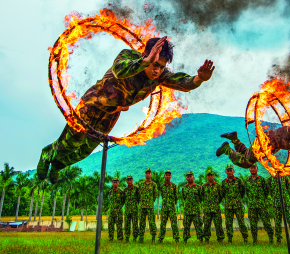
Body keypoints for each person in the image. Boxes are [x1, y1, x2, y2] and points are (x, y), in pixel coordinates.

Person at [37, 36, 216, 184]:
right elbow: (119, 71)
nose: (157, 70)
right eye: (155, 65)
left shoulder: (159, 75)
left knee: (85, 150)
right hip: (92, 104)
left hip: (111, 114)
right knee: (72, 143)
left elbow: (182, 82)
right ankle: (48, 153)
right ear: (146, 55)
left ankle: (58, 165)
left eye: (162, 66)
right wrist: (146, 61)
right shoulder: (128, 56)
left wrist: (199, 79)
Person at [244, 164, 274, 244]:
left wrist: (262, 200)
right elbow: (245, 192)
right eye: (251, 168)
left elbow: (266, 191)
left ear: (257, 169)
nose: (253, 169)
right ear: (249, 169)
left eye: (254, 168)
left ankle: (271, 239)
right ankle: (255, 240)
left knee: (266, 222)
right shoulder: (247, 180)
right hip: (251, 206)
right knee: (253, 224)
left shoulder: (262, 180)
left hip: (261, 205)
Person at [267, 175, 290, 245]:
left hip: (286, 203)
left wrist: (285, 197)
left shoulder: (285, 177)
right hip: (276, 203)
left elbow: (289, 189)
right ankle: (278, 239)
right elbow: (269, 190)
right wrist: (275, 197)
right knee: (277, 222)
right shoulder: (270, 179)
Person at [221, 164, 248, 243]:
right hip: (228, 206)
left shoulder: (238, 181)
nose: (229, 172)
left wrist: (238, 200)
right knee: (228, 223)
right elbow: (222, 194)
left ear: (233, 171)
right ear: (226, 172)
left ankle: (245, 238)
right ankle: (229, 239)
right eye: (228, 171)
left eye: (231, 170)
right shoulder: (223, 182)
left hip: (238, 205)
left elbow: (242, 191)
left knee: (241, 222)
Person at [201, 169, 225, 243]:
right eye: (208, 175)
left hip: (216, 208)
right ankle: (207, 238)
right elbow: (202, 196)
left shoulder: (218, 186)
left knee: (218, 224)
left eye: (211, 175)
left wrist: (216, 203)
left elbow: (221, 196)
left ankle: (220, 239)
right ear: (207, 177)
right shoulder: (204, 186)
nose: (210, 176)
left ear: (213, 176)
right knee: (207, 224)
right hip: (207, 209)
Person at [182, 171, 204, 244]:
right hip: (187, 210)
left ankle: (200, 239)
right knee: (186, 225)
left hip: (196, 210)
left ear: (193, 177)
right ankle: (185, 239)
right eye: (188, 176)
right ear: (186, 178)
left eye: (190, 176)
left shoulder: (198, 187)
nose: (189, 178)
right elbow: (184, 197)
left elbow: (201, 198)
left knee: (198, 225)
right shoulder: (184, 188)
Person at [158, 170, 180, 243]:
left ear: (170, 177)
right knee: (163, 224)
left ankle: (176, 238)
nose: (167, 176)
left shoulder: (174, 186)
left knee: (174, 223)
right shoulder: (162, 186)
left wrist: (172, 203)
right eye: (166, 175)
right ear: (164, 176)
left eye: (169, 175)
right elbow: (162, 195)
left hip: (172, 208)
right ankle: (161, 238)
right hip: (164, 208)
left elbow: (176, 197)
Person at [138, 168, 158, 243]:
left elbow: (155, 195)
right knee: (142, 222)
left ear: (151, 174)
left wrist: (150, 202)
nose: (148, 174)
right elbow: (139, 194)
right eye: (146, 173)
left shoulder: (154, 185)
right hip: (142, 206)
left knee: (152, 222)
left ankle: (153, 236)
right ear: (145, 174)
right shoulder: (141, 184)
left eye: (149, 173)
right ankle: (141, 237)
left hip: (150, 206)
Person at [123, 175, 140, 242]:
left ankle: (135, 238)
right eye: (128, 180)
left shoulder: (136, 188)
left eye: (130, 180)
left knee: (135, 224)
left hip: (134, 210)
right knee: (127, 224)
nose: (129, 181)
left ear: (132, 180)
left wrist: (135, 205)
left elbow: (139, 198)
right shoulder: (125, 190)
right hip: (127, 210)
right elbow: (123, 199)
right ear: (126, 181)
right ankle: (127, 237)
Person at [108, 177, 125, 241]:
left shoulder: (121, 192)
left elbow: (123, 201)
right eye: (114, 182)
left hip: (118, 212)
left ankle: (120, 238)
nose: (115, 183)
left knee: (119, 226)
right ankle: (110, 237)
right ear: (112, 183)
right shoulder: (110, 192)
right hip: (111, 211)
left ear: (118, 183)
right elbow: (111, 201)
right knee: (110, 225)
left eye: (116, 182)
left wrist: (119, 207)